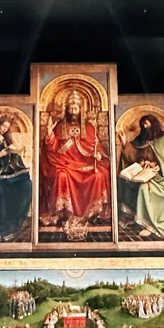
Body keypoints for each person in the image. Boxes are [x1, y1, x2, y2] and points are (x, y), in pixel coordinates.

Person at [39, 89, 111, 229]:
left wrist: (99, 155)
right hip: (64, 164)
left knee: (100, 175)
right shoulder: (59, 126)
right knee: (61, 176)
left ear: (80, 109)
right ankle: (63, 214)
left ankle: (93, 214)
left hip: (86, 164)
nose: (73, 112)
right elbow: (52, 148)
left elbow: (97, 147)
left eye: (75, 108)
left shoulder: (90, 127)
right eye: (71, 108)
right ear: (66, 109)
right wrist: (49, 134)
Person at [116, 114, 164, 240]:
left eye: (147, 123)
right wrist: (125, 143)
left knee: (144, 189)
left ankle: (151, 225)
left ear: (153, 124)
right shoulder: (142, 139)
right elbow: (134, 157)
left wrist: (156, 165)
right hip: (146, 173)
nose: (144, 126)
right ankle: (130, 216)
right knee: (123, 180)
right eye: (143, 124)